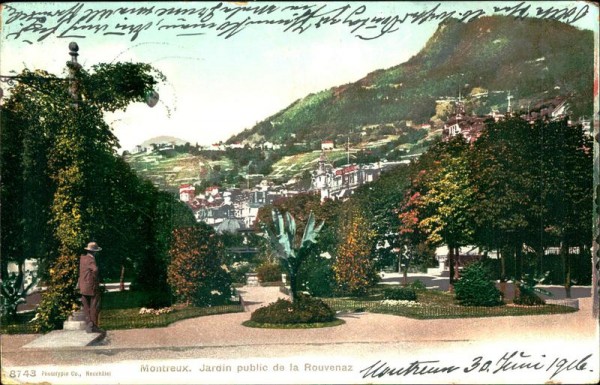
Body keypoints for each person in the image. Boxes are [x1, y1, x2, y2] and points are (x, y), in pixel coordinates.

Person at [78, 241, 104, 333]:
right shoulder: (91, 259)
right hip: (91, 286)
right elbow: (95, 269)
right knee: (94, 305)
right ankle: (94, 326)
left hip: (82, 286)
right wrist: (96, 277)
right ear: (94, 251)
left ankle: (89, 324)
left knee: (86, 306)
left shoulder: (82, 258)